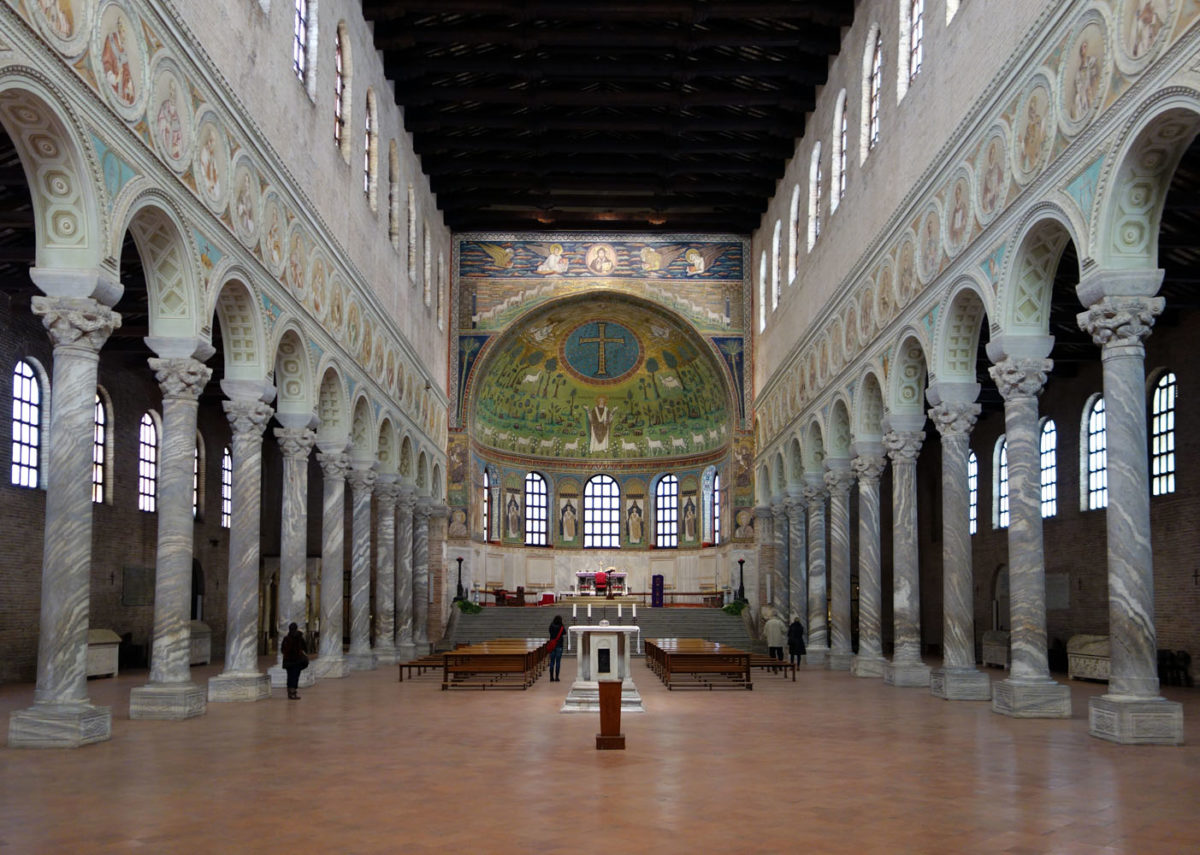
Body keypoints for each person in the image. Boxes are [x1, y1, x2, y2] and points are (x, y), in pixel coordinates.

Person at [280, 622, 308, 700]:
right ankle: (293, 693)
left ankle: (290, 692)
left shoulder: (286, 638)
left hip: (288, 661)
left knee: (290, 676)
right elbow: (305, 648)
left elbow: (282, 649)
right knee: (295, 676)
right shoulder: (299, 638)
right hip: (297, 661)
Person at [547, 615, 566, 682]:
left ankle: (551, 677)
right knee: (558, 662)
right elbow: (565, 632)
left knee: (552, 662)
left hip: (552, 645)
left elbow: (550, 632)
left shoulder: (551, 625)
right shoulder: (561, 626)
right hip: (559, 645)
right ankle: (557, 677)